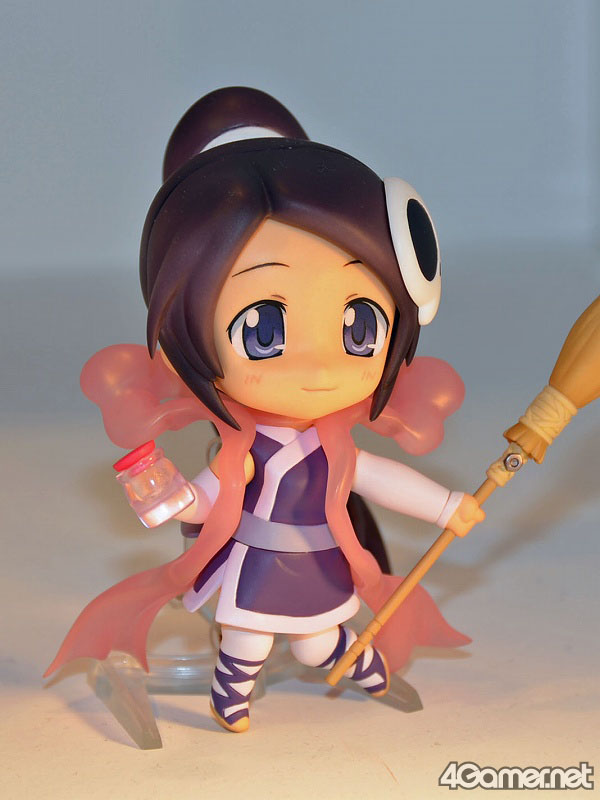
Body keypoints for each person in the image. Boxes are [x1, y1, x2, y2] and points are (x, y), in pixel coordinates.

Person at [45, 87, 484, 734]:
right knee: (248, 637)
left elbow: (379, 479)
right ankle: (232, 693)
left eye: (358, 325)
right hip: (256, 562)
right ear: (186, 332)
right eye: (264, 331)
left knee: (317, 639)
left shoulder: (335, 449)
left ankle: (360, 665)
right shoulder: (245, 453)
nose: (319, 367)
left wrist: (446, 507)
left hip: (321, 559)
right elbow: (206, 500)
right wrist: (167, 497)